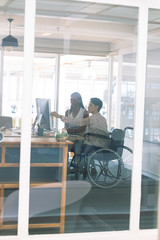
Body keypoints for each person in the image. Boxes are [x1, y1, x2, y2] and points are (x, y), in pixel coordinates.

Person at [51, 98, 110, 172]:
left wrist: (60, 116)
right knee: (78, 142)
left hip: (95, 144)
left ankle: (76, 167)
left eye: (90, 105)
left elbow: (78, 122)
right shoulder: (103, 118)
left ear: (96, 107)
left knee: (77, 143)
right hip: (102, 143)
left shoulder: (92, 118)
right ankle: (78, 165)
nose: (88, 107)